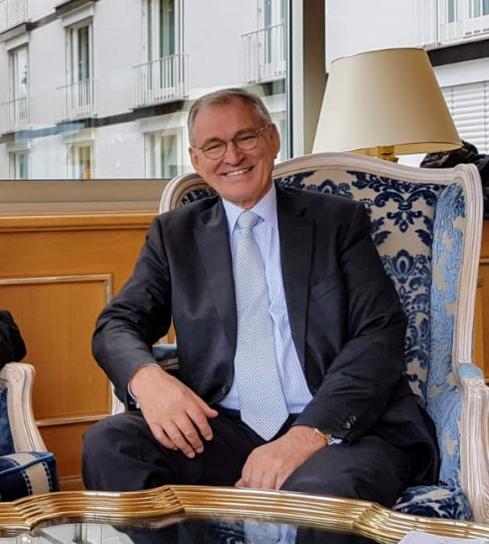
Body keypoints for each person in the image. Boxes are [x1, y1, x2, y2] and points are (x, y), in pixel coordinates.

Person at [82, 88, 439, 506]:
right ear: (196, 159)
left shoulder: (337, 222)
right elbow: (117, 324)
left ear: (272, 139)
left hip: (337, 429)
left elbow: (379, 333)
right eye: (214, 146)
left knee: (319, 499)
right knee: (110, 446)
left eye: (245, 137)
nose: (232, 156)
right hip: (222, 426)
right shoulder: (175, 235)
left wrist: (308, 433)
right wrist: (149, 381)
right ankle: (185, 539)